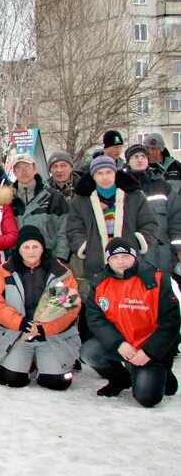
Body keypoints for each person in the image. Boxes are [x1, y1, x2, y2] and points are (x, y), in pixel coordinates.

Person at [81, 238, 179, 407]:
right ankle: (120, 379)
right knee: (89, 351)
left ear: (134, 256)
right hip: (123, 344)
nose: (120, 262)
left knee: (147, 399)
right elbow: (96, 318)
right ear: (108, 260)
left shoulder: (157, 279)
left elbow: (171, 321)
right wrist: (118, 344)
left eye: (125, 256)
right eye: (114, 258)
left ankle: (162, 373)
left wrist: (149, 352)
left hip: (149, 349)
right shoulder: (100, 282)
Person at [0, 226, 81, 390]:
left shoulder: (60, 272)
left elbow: (70, 309)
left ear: (43, 248)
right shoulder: (4, 271)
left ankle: (43, 364)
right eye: (26, 247)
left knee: (58, 382)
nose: (31, 252)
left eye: (35, 246)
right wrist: (21, 323)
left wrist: (45, 329)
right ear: (19, 249)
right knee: (11, 379)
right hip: (17, 334)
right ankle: (26, 363)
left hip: (50, 336)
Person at [66, 156, 159, 280]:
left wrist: (137, 241)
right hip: (97, 261)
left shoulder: (134, 196)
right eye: (99, 173)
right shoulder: (80, 200)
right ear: (93, 176)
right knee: (99, 297)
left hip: (129, 260)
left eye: (108, 172)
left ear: (115, 173)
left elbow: (150, 224)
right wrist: (86, 247)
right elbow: (73, 229)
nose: (104, 177)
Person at [123, 143, 181, 276]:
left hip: (161, 256)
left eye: (143, 156)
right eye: (135, 157)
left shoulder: (163, 186)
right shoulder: (120, 187)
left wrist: (178, 250)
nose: (139, 159)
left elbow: (176, 220)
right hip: (129, 255)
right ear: (128, 161)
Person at [10, 154, 70, 262]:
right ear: (14, 173)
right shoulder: (8, 199)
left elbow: (64, 229)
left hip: (49, 257)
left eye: (27, 167)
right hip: (18, 259)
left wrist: (60, 257)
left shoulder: (53, 196)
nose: (24, 171)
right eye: (19, 168)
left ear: (35, 169)